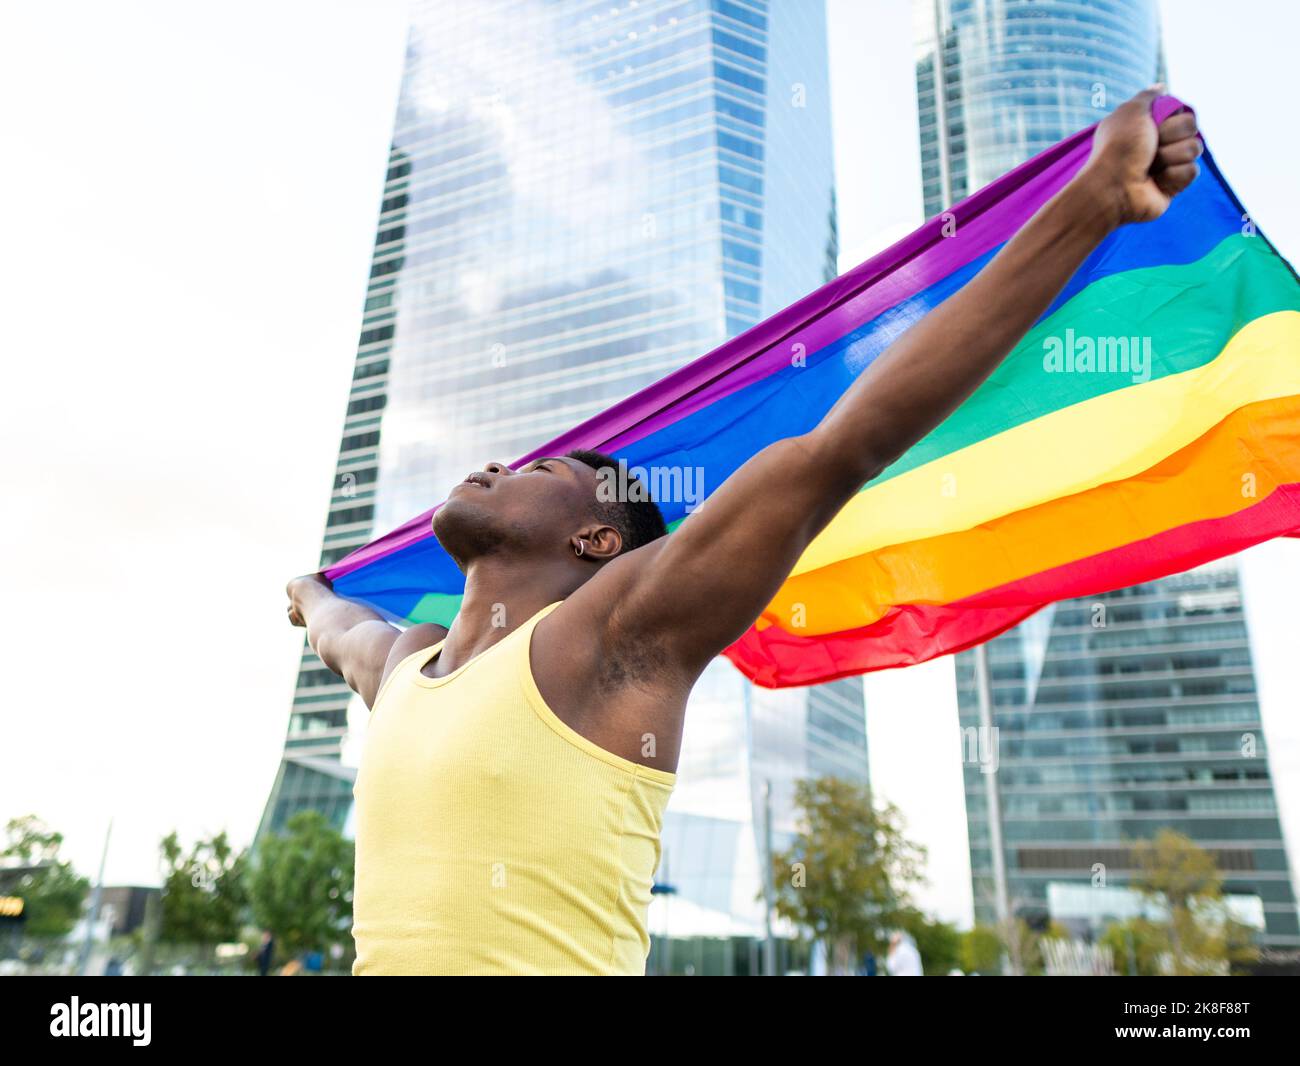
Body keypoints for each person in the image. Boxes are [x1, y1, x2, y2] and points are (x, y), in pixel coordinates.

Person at [286, 89, 1199, 976]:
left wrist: (1091, 205)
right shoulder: (406, 664)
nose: (497, 464)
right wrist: (311, 591)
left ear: (597, 543)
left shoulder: (613, 637)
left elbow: (847, 442)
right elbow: (335, 629)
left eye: (542, 470)